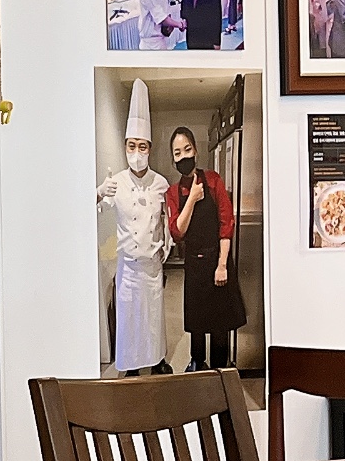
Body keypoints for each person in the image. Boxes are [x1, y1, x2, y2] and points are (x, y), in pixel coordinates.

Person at [97, 81, 171, 374]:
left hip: (152, 267)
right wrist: (99, 192)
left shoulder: (161, 183)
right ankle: (130, 367)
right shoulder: (116, 183)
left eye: (142, 146)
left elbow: (167, 220)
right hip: (127, 268)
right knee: (129, 321)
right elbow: (85, 210)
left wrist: (166, 248)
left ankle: (157, 362)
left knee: (153, 320)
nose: (136, 152)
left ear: (149, 149)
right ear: (125, 147)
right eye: (131, 146)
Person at [168, 125, 244, 371]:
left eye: (187, 149)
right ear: (173, 159)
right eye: (178, 153)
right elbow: (177, 231)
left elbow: (226, 224)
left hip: (217, 259)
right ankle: (197, 364)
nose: (184, 157)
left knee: (220, 323)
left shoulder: (213, 181)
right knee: (197, 322)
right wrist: (191, 198)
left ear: (196, 151)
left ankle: (220, 371)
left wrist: (222, 265)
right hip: (194, 263)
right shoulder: (173, 192)